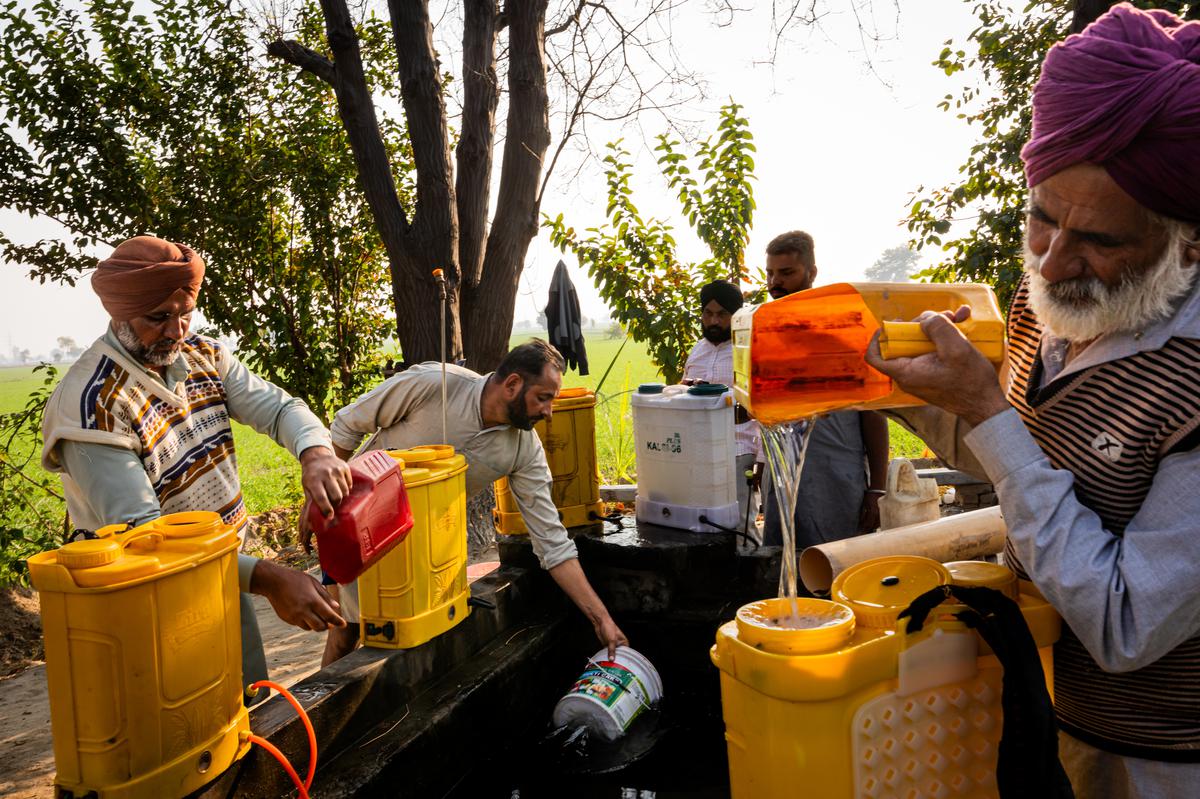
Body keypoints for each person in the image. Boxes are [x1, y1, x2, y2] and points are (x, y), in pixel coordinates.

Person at [864, 6, 1200, 795]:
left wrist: (986, 413)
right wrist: (884, 384)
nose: (1050, 262)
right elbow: (1021, 455)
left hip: (1167, 760)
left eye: (1099, 242)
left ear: (1188, 242)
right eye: (1041, 218)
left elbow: (1126, 623)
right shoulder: (1044, 303)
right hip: (1051, 705)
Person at [41, 236, 351, 693]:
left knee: (248, 710)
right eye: (159, 318)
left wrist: (317, 453)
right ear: (119, 312)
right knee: (188, 733)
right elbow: (148, 541)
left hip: (223, 571)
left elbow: (281, 410)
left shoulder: (203, 355)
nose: (176, 330)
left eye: (185, 314)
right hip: (150, 604)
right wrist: (267, 578)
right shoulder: (91, 406)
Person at [316, 339, 628, 665]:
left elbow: (552, 543)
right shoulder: (434, 385)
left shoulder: (524, 450)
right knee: (346, 632)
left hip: (424, 545)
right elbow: (346, 426)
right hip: (359, 523)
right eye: (543, 398)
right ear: (512, 384)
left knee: (414, 642)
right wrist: (320, 499)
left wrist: (600, 619)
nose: (549, 413)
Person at [760, 231, 889, 548]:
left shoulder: (844, 330)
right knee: (780, 566)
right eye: (770, 273)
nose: (776, 281)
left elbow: (873, 413)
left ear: (811, 273)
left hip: (836, 479)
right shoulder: (764, 331)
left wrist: (878, 489)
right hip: (782, 477)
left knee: (833, 569)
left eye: (786, 273)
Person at [682, 279, 760, 532]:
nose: (714, 322)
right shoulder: (697, 351)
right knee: (702, 524)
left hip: (739, 450)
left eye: (722, 314)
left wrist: (761, 459)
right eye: (708, 313)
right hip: (699, 451)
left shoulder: (749, 350)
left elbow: (761, 407)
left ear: (736, 315)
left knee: (740, 527)